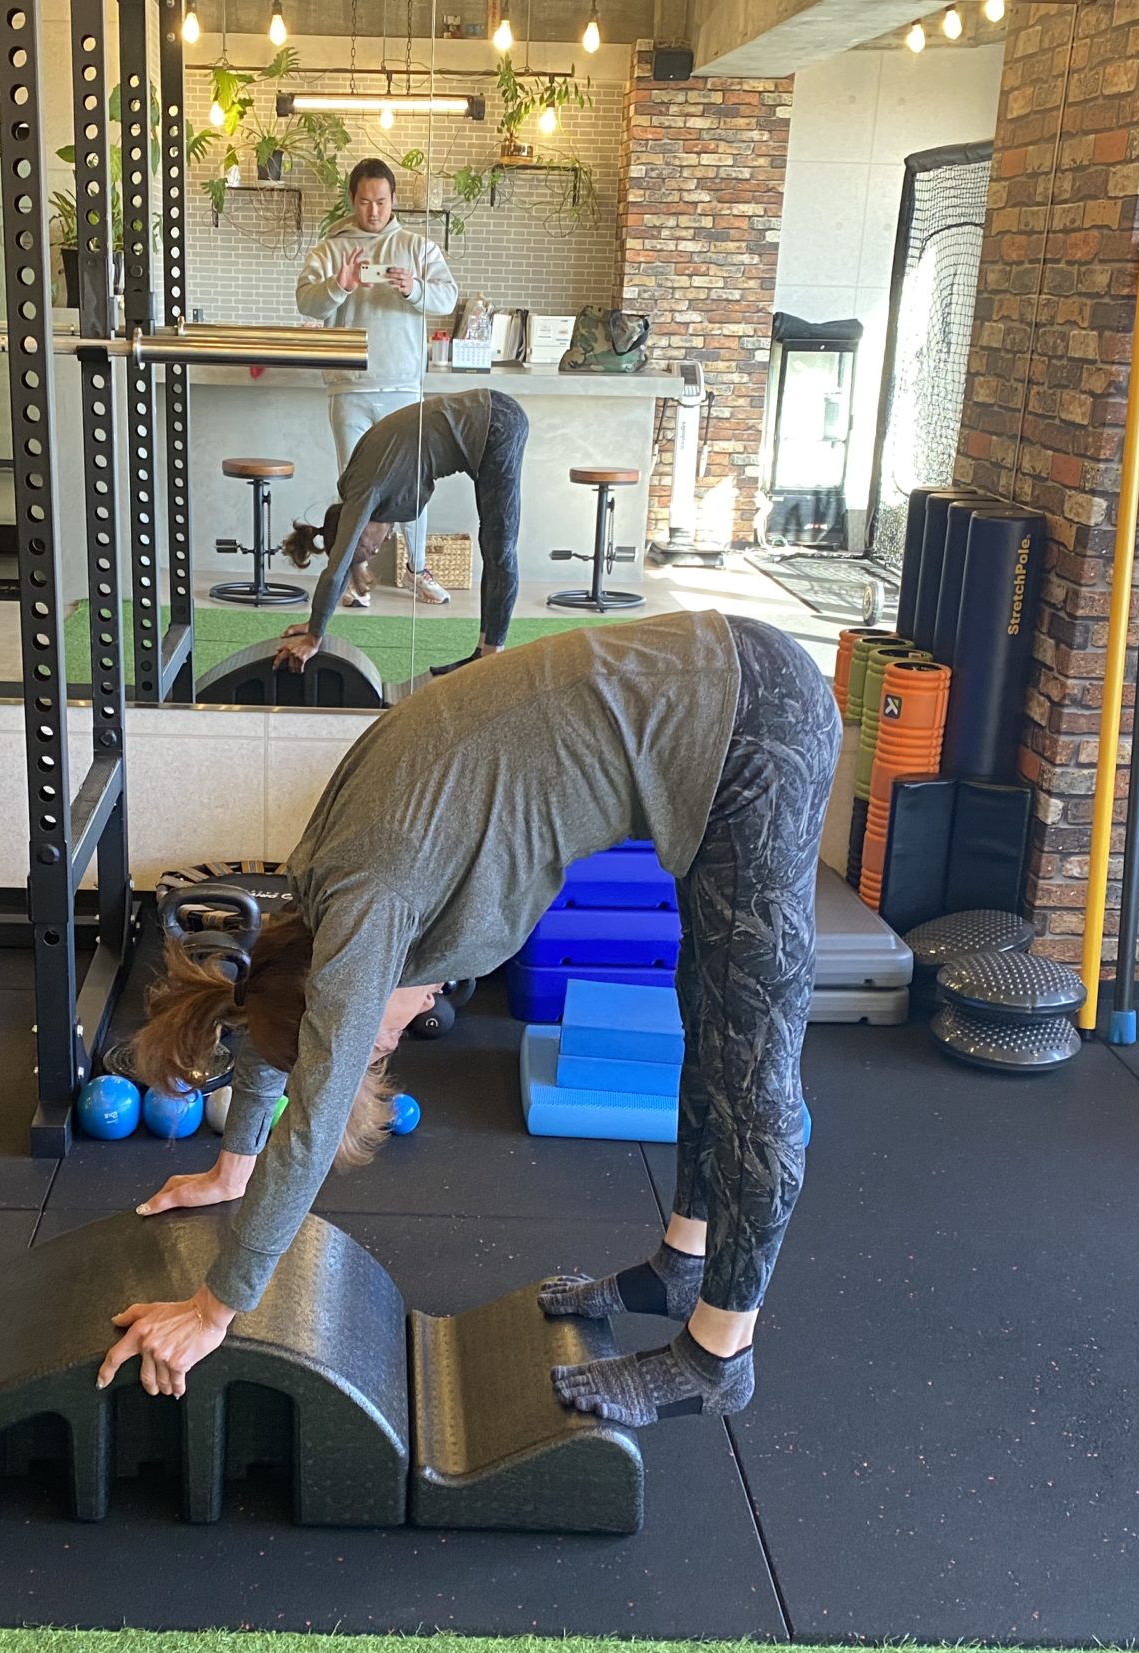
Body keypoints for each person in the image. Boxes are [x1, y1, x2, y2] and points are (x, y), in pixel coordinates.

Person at [97, 609, 839, 1427]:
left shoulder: (372, 897)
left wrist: (214, 1308)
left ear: (352, 986)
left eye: (375, 1042)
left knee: (752, 1065)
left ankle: (719, 1358)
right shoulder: (321, 888)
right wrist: (234, 1169)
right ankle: (684, 1266)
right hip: (711, 701)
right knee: (711, 1011)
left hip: (755, 724)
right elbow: (277, 996)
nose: (393, 1040)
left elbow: (314, 1107)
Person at [295, 158, 459, 609]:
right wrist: (341, 284)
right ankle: (351, 575)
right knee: (354, 490)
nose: (373, 211)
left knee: (413, 485)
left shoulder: (417, 247)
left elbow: (447, 297)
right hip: (348, 386)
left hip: (402, 385)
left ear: (393, 200)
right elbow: (306, 303)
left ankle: (417, 569)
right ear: (352, 200)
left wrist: (414, 289)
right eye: (365, 201)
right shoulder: (331, 249)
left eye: (382, 202)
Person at [274, 389, 526, 679]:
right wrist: (316, 623)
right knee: (493, 543)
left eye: (367, 550)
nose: (377, 550)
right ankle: (483, 654)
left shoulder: (365, 491)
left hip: (497, 421)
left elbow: (337, 567)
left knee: (499, 545)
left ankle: (490, 663)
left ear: (358, 528)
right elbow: (343, 561)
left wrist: (313, 639)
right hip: (489, 419)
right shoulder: (358, 487)